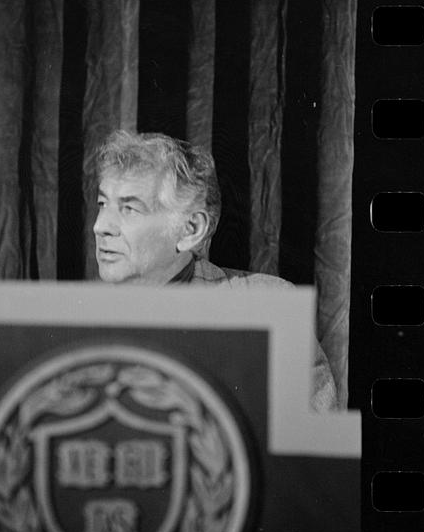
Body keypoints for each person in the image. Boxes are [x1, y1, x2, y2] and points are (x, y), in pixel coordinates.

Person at [92, 128, 337, 411]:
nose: (100, 226)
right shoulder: (73, 315)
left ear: (191, 230)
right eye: (102, 204)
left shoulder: (266, 306)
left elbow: (312, 442)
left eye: (129, 209)